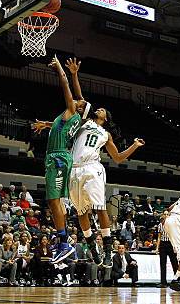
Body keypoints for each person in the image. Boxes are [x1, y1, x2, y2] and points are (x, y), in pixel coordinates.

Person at [67, 102, 145, 267]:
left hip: (93, 168)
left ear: (106, 118)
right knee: (81, 211)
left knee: (100, 207)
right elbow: (65, 123)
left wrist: (134, 146)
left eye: (103, 109)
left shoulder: (106, 134)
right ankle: (92, 246)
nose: (99, 108)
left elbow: (117, 157)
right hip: (74, 170)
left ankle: (108, 250)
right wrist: (47, 125)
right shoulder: (84, 122)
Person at [31, 56, 88, 264]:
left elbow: (67, 89)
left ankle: (64, 242)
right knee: (53, 201)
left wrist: (62, 72)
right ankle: (63, 241)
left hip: (59, 158)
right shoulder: (72, 116)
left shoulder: (73, 111)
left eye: (79, 101)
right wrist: (46, 125)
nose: (78, 98)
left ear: (80, 108)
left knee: (53, 200)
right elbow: (58, 126)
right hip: (57, 157)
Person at [155, 211, 178, 288]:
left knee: (174, 263)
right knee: (162, 264)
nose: (166, 215)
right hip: (163, 245)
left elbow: (175, 237)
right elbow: (159, 237)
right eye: (165, 214)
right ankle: (163, 282)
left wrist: (176, 246)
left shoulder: (174, 225)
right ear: (163, 215)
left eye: (168, 214)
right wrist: (157, 248)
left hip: (171, 244)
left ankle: (177, 281)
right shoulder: (160, 225)